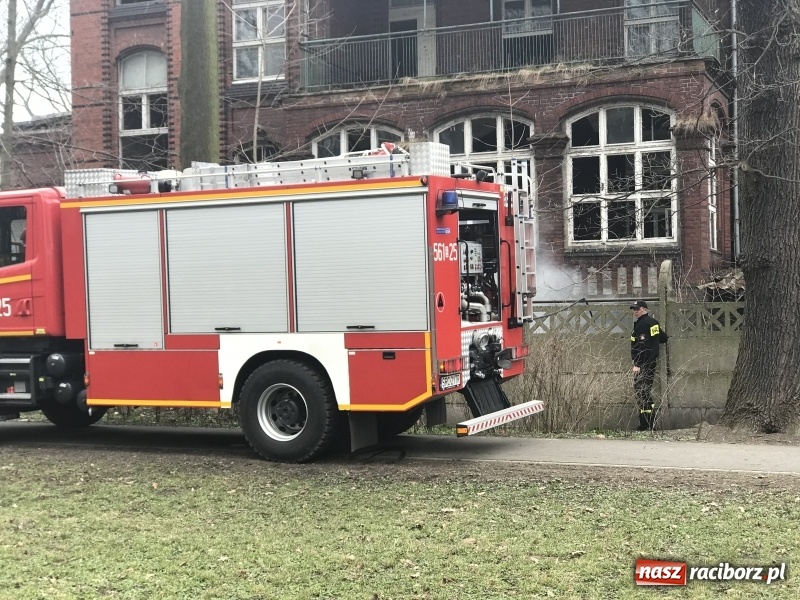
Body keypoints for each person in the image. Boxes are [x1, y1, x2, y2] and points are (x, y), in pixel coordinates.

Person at [630, 300, 662, 431]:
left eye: (638, 309)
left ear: (645, 309)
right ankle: (647, 423)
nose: (635, 312)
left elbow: (641, 346)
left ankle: (647, 424)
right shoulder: (652, 322)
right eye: (634, 309)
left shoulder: (642, 324)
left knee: (642, 391)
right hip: (650, 361)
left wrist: (637, 364)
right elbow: (662, 337)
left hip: (644, 363)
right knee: (644, 391)